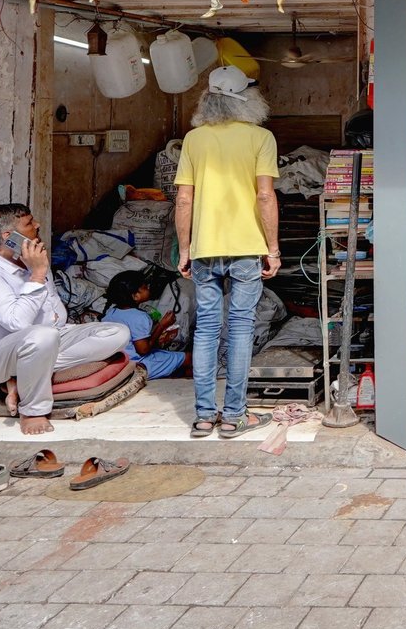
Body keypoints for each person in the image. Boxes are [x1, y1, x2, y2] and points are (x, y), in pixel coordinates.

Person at [0, 204, 131, 436]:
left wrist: (38, 271)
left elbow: (54, 313)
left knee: (118, 333)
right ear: (9, 237)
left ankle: (20, 379)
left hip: (49, 339)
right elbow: (18, 323)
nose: (38, 225)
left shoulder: (30, 260)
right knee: (42, 336)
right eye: (30, 223)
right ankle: (32, 411)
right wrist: (38, 274)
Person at [175, 65, 280, 439]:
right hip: (246, 247)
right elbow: (265, 195)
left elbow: (184, 199)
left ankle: (204, 417)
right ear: (246, 99)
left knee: (205, 329)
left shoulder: (194, 140)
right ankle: (234, 416)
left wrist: (184, 249)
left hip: (204, 250)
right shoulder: (261, 138)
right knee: (239, 328)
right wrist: (273, 247)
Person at [102, 271, 189, 381]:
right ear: (135, 296)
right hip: (138, 363)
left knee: (170, 357)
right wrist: (162, 325)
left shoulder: (111, 312)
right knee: (188, 358)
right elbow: (143, 350)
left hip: (119, 359)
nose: (148, 288)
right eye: (145, 287)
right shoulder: (139, 317)